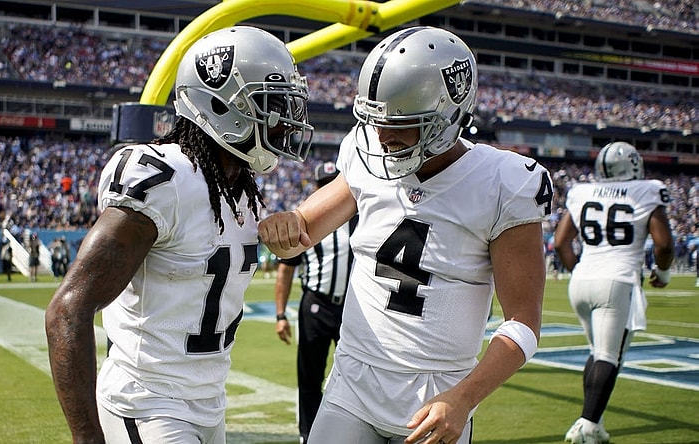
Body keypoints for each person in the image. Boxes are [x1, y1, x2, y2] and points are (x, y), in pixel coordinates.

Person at [259, 26, 552, 444]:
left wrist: (464, 399)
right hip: (353, 382)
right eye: (375, 121)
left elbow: (523, 324)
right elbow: (302, 228)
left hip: (437, 397)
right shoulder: (365, 154)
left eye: (400, 123)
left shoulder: (502, 182)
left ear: (447, 117)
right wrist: (283, 225)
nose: (381, 136)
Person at [45, 26, 312, 444]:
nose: (285, 122)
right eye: (270, 105)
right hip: (148, 402)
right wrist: (87, 439)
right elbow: (67, 310)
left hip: (208, 403)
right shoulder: (165, 181)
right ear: (223, 105)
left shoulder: (239, 189)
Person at [554, 141, 674, 444]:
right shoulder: (648, 189)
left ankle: (594, 420)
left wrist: (580, 271)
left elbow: (560, 243)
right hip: (617, 278)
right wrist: (662, 273)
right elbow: (663, 244)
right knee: (609, 356)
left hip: (582, 279)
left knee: (598, 354)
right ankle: (588, 426)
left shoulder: (582, 192)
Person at [273, 161, 355, 444]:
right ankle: (307, 435)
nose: (328, 190)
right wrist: (280, 314)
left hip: (353, 309)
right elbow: (286, 269)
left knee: (357, 377)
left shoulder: (361, 216)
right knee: (309, 377)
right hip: (316, 304)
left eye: (333, 183)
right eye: (323, 185)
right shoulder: (305, 219)